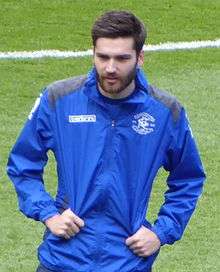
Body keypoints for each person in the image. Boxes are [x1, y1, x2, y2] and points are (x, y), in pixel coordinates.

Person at [7, 10, 206, 272]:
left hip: (126, 262)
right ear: (93, 54)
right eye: (103, 57)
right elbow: (23, 164)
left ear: (140, 58)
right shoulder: (59, 100)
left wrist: (161, 233)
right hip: (63, 260)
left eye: (122, 58)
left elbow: (188, 178)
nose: (110, 68)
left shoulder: (165, 112)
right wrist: (49, 214)